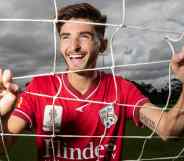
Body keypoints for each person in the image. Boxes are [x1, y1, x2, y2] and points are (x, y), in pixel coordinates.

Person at [0, 2, 184, 161]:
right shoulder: (39, 88)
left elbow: (170, 129)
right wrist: (0, 115)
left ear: (102, 45)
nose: (74, 46)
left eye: (84, 36)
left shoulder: (122, 89)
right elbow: (3, 147)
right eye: (66, 37)